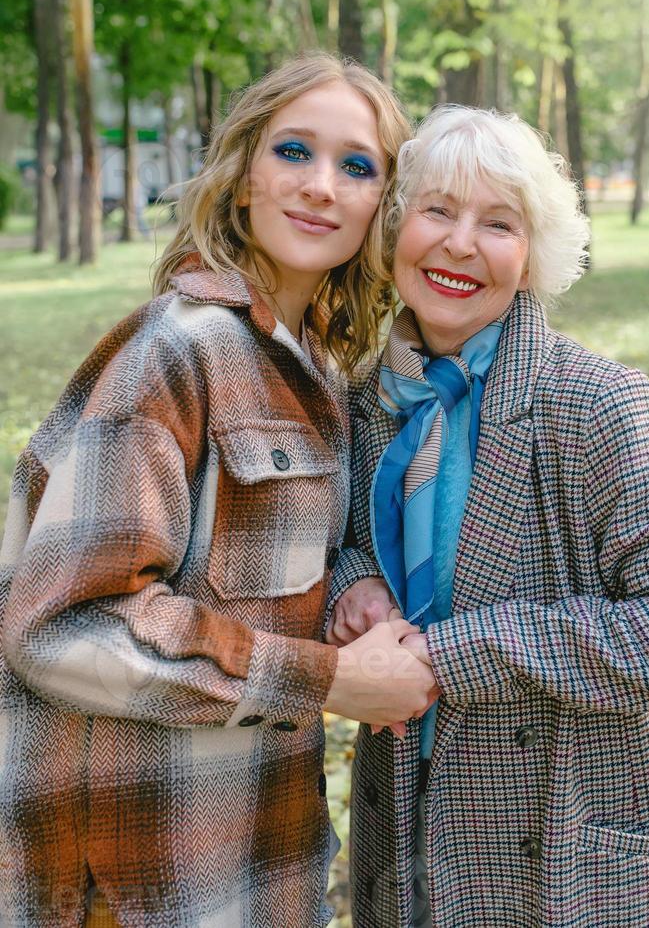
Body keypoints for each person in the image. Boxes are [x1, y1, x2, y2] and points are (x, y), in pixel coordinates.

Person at [0, 53, 438, 928]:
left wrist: (349, 588)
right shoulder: (178, 352)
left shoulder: (316, 364)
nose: (320, 185)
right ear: (242, 180)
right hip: (131, 882)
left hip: (259, 861)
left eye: (356, 166)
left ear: (379, 209)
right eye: (292, 152)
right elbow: (59, 624)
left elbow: (259, 577)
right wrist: (327, 681)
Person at [326, 105, 649, 927]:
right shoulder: (361, 398)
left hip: (567, 857)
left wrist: (460, 655)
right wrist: (355, 583)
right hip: (404, 828)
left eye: (498, 223)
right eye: (436, 210)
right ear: (395, 227)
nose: (459, 243)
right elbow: (339, 539)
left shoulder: (599, 406)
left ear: (532, 257)